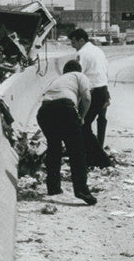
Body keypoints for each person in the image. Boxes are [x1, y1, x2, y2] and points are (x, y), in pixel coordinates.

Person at [35, 59, 97, 205]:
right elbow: (87, 98)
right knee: (77, 151)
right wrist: (81, 117)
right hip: (65, 108)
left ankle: (53, 187)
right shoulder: (79, 75)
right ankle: (81, 190)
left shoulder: (57, 80)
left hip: (44, 111)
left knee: (54, 148)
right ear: (78, 70)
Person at [68, 28, 111, 168]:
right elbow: (105, 71)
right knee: (86, 126)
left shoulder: (82, 53)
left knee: (83, 126)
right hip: (103, 90)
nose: (72, 45)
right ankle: (92, 157)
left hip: (92, 92)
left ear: (81, 40)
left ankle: (100, 159)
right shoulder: (98, 51)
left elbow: (77, 75)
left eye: (74, 41)